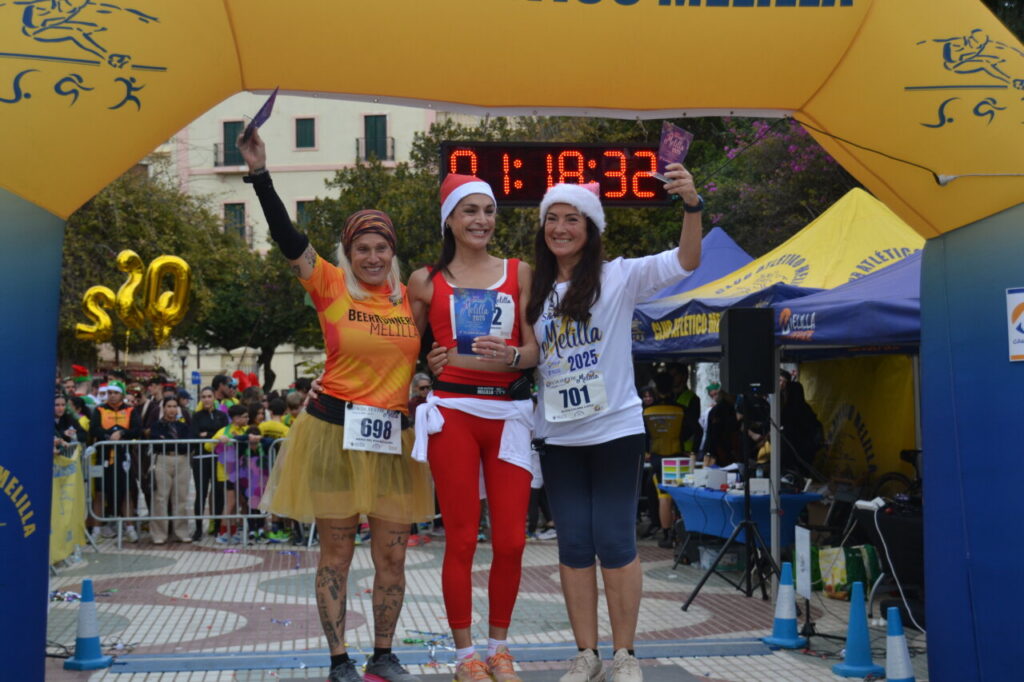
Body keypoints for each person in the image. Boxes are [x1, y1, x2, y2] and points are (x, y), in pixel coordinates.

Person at [239, 129, 432, 682]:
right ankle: (339, 659)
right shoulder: (330, 286)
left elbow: (436, 347)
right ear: (348, 253)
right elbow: (288, 238)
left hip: (392, 440)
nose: (372, 256)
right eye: (361, 248)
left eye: (381, 247)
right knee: (337, 559)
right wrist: (259, 176)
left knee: (393, 558)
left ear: (393, 252)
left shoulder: (408, 298)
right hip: (333, 436)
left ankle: (385, 652)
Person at [527, 165, 702, 682]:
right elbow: (529, 352)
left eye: (572, 219)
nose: (560, 228)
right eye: (552, 219)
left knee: (616, 542)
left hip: (615, 431)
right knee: (574, 545)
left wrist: (691, 205)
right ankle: (587, 655)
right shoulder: (532, 288)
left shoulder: (619, 275)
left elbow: (687, 261)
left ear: (591, 227)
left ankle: (625, 655)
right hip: (558, 435)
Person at [407, 173, 540, 682]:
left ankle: (500, 648)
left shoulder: (519, 272)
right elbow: (401, 347)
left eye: (488, 210)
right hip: (453, 415)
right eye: (470, 211)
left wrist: (514, 355)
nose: (481, 220)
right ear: (450, 220)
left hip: (508, 414)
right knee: (460, 539)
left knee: (510, 541)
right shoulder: (425, 280)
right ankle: (466, 657)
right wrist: (424, 364)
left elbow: (534, 351)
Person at [643, 373, 686, 550]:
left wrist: (648, 449)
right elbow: (694, 429)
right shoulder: (681, 410)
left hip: (658, 457)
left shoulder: (647, 412)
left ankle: (667, 535)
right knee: (682, 494)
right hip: (678, 455)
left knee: (663, 497)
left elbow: (642, 434)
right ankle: (682, 533)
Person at [149, 396, 193, 544]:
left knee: (180, 497)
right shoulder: (157, 425)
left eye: (175, 406)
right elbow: (157, 442)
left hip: (182, 460)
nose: (172, 410)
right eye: (169, 406)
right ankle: (159, 533)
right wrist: (170, 442)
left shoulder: (183, 426)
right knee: (161, 497)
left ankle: (181, 532)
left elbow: (187, 443)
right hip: (163, 459)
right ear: (164, 408)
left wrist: (168, 441)